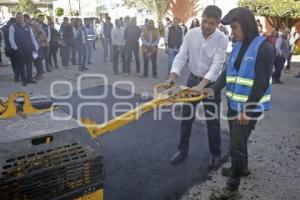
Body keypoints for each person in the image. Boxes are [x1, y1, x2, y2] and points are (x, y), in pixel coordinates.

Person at [201, 7, 274, 200]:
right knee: (239, 141)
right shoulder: (239, 45)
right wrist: (213, 88)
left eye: (234, 27)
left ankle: (232, 189)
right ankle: (243, 168)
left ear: (247, 25)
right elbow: (227, 73)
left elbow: (261, 83)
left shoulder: (264, 48)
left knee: (236, 145)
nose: (232, 32)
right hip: (234, 106)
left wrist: (248, 111)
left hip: (248, 108)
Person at [167, 5, 228, 169]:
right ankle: (182, 150)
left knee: (212, 121)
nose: (206, 26)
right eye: (204, 21)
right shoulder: (191, 34)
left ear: (217, 24)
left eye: (211, 23)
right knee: (186, 117)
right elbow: (181, 56)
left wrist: (202, 86)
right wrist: (172, 78)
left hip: (210, 86)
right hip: (193, 79)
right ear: (202, 18)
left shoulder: (222, 39)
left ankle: (216, 154)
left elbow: (217, 66)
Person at [9, 12, 39, 86]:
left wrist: (36, 46)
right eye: (18, 17)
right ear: (16, 19)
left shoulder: (28, 26)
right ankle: (24, 80)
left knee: (29, 65)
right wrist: (15, 48)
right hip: (19, 49)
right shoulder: (13, 27)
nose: (20, 19)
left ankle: (30, 78)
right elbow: (11, 39)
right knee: (21, 65)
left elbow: (32, 37)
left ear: (23, 18)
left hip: (28, 48)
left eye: (21, 17)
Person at [24, 14, 46, 80]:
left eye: (25, 20)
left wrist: (37, 41)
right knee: (33, 61)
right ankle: (37, 74)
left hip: (37, 47)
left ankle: (40, 74)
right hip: (30, 47)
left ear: (28, 19)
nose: (24, 21)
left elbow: (43, 33)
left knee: (37, 60)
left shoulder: (34, 24)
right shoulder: (25, 26)